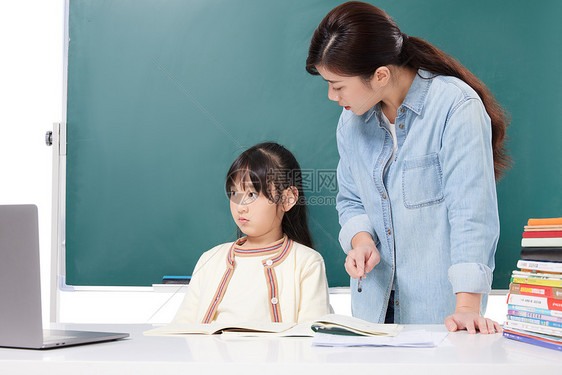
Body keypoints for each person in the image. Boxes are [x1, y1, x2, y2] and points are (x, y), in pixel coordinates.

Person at [306, 2, 509, 333]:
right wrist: (362, 242)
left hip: (442, 318)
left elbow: (471, 214)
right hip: (371, 316)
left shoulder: (455, 107)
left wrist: (468, 308)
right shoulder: (351, 122)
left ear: (381, 75)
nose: (332, 95)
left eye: (338, 85)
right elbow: (351, 201)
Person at [173, 142, 331, 324]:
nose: (240, 207)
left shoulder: (307, 263)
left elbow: (313, 338)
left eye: (252, 194)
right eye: (234, 193)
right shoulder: (210, 260)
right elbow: (181, 332)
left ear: (288, 199)